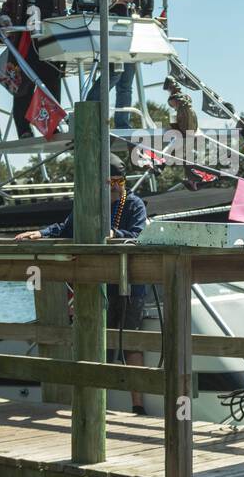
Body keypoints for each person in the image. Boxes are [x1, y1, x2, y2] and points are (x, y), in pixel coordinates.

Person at [14, 154, 151, 412]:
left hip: (130, 284)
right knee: (95, 343)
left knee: (131, 342)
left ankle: (138, 406)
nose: (115, 185)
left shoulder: (133, 204)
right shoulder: (88, 203)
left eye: (118, 181)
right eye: (110, 181)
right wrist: (41, 233)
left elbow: (138, 235)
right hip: (95, 283)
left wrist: (114, 235)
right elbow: (66, 227)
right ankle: (94, 406)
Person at [0, 0, 96, 137]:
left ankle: (50, 125)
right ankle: (23, 130)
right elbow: (8, 6)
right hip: (24, 36)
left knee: (51, 79)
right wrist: (4, 18)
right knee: (22, 83)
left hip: (52, 35)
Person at [86, 0, 154, 130]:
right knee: (113, 74)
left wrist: (149, 22)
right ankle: (89, 112)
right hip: (113, 34)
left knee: (126, 84)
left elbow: (148, 12)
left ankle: (123, 124)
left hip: (134, 38)